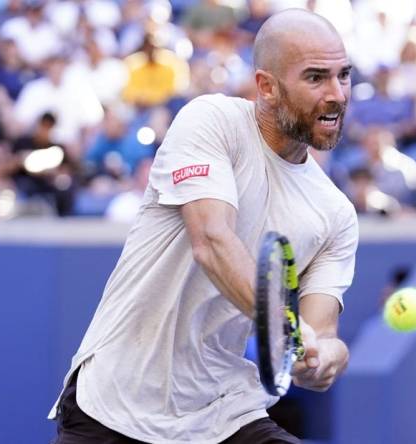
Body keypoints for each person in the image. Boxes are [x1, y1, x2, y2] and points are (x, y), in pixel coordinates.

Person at [49, 9, 358, 444]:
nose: (337, 94)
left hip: (223, 413)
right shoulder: (211, 120)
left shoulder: (337, 215)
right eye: (315, 78)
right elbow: (212, 242)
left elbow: (322, 333)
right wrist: (285, 326)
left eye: (343, 75)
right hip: (114, 406)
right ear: (266, 86)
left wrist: (327, 355)